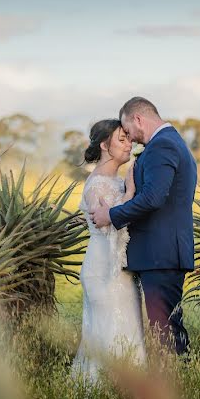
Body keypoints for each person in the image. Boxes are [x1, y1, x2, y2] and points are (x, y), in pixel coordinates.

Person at [89, 97, 196, 355]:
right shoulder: (169, 143)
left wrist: (112, 215)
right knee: (166, 328)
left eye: (128, 131)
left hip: (161, 254)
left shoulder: (163, 146)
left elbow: (153, 198)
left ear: (138, 119)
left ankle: (178, 384)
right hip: (161, 254)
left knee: (166, 331)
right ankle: (179, 380)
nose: (131, 138)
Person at [72, 119, 147, 383]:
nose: (129, 145)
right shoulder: (96, 185)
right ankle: (100, 395)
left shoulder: (116, 181)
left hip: (121, 269)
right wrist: (132, 193)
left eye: (129, 139)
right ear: (105, 145)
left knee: (129, 332)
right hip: (103, 270)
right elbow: (106, 226)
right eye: (122, 140)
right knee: (108, 333)